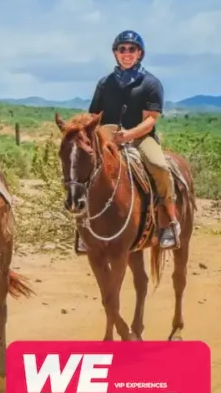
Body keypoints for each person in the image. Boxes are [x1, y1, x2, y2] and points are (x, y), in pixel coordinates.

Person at [76, 30, 180, 253]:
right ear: (115, 53)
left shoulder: (151, 83)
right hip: (107, 137)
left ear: (140, 53)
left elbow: (150, 120)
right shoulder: (105, 83)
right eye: (122, 49)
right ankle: (83, 226)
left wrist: (128, 135)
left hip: (141, 138)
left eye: (132, 49)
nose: (126, 53)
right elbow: (94, 115)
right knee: (83, 168)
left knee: (159, 166)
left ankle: (169, 222)